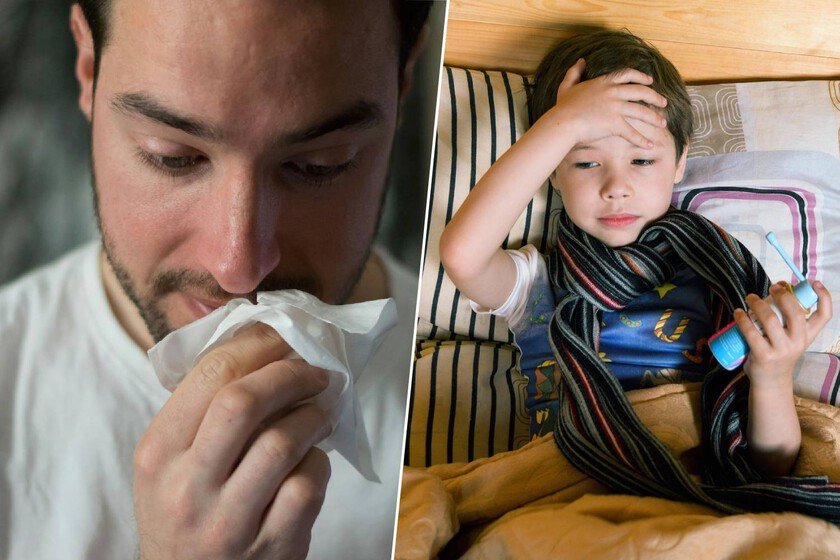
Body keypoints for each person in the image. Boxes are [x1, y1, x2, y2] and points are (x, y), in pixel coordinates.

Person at [0, 1, 431, 559]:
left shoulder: (467, 396)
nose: (238, 267)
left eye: (319, 165)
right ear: (87, 65)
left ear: (403, 84)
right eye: (173, 158)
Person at [439, 30, 833, 486]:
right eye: (586, 162)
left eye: (642, 161)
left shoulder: (721, 282)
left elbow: (770, 469)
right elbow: (462, 255)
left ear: (680, 162)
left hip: (691, 495)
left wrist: (772, 376)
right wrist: (563, 124)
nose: (616, 187)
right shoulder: (537, 286)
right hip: (571, 493)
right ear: (551, 172)